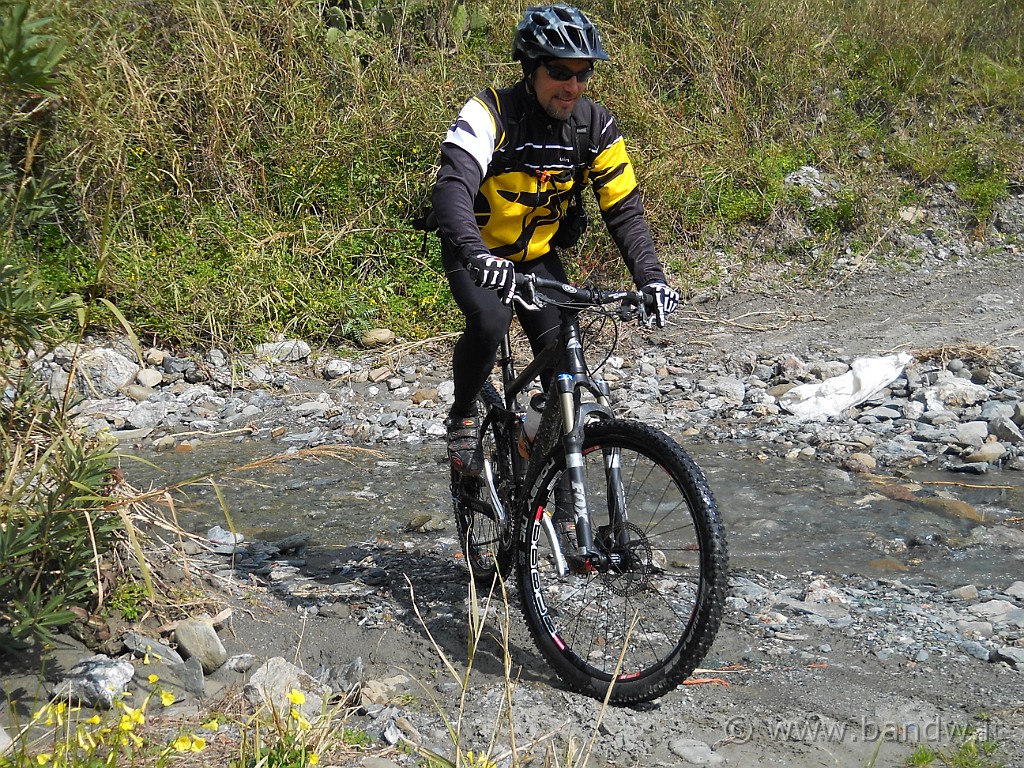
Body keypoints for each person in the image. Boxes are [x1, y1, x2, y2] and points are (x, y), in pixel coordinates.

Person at [432, 3, 680, 476]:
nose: (573, 86)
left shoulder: (596, 126)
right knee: (490, 320)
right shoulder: (489, 113)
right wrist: (476, 254)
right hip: (478, 253)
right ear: (530, 68)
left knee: (566, 374)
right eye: (560, 72)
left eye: (583, 74)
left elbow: (624, 209)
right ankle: (464, 413)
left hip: (538, 257)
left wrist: (652, 280)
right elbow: (452, 188)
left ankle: (560, 509)